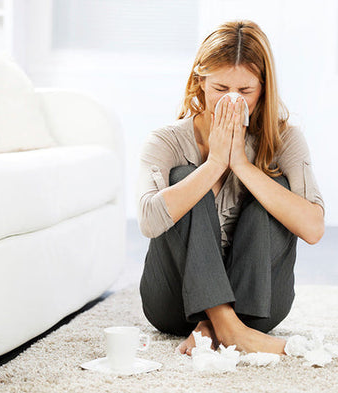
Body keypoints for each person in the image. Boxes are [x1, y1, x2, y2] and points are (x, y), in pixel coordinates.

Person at [136, 20, 325, 357]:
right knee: (185, 178)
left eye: (245, 91)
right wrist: (213, 166)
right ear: (200, 84)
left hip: (258, 305)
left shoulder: (287, 140)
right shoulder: (165, 140)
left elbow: (313, 228)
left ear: (264, 88)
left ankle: (218, 328)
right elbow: (149, 222)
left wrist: (240, 164)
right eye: (220, 89)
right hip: (173, 305)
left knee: (275, 187)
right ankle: (230, 328)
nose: (232, 102)